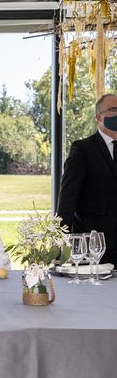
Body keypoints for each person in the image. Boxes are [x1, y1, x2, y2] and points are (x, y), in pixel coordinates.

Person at [57, 93, 117, 265]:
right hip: (94, 247)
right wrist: (61, 244)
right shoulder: (82, 149)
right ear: (99, 117)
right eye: (113, 110)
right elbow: (67, 200)